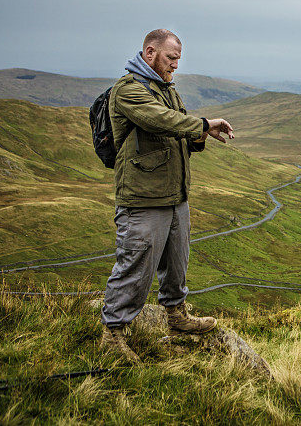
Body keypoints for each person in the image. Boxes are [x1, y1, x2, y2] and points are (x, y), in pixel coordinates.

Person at [99, 29, 234, 362]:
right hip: (143, 198)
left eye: (178, 59)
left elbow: (181, 131)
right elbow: (160, 121)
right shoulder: (129, 90)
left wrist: (200, 136)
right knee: (136, 264)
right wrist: (201, 123)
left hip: (175, 195)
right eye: (171, 57)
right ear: (150, 52)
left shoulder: (168, 91)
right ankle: (113, 334)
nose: (176, 65)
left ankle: (176, 316)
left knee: (177, 262)